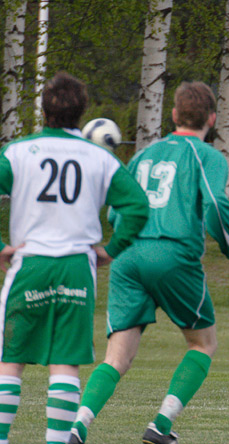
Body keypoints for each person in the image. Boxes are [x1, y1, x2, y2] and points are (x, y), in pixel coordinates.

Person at [69, 81, 229, 444]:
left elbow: (118, 210)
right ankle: (161, 425)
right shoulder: (209, 157)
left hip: (128, 256)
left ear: (173, 115)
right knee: (203, 344)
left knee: (116, 358)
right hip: (172, 254)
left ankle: (78, 426)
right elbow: (216, 206)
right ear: (212, 119)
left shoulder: (142, 156)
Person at [0, 71, 149, 444]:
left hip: (30, 264)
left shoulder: (18, 151)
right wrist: (111, 250)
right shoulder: (99, 156)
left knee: (10, 358)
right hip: (76, 268)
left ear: (44, 109)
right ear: (82, 112)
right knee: (64, 363)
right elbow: (137, 207)